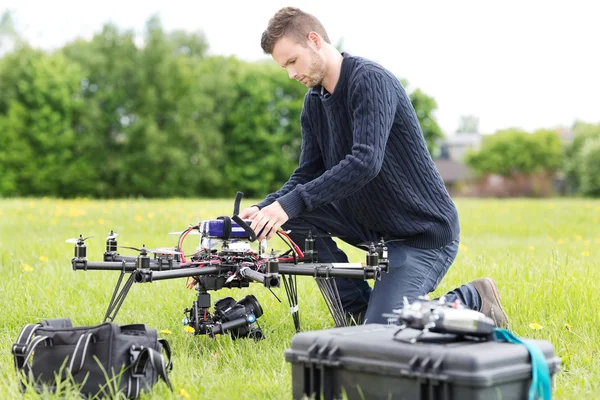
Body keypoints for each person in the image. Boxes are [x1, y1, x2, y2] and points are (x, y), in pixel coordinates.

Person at [239, 6, 509, 327]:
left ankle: (473, 298)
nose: (291, 74)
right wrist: (265, 209)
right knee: (293, 215)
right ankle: (355, 310)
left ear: (314, 41)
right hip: (373, 227)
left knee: (383, 334)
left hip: (420, 232)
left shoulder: (369, 81)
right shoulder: (314, 101)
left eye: (292, 61)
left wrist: (289, 204)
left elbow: (365, 162)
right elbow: (306, 174)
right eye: (284, 67)